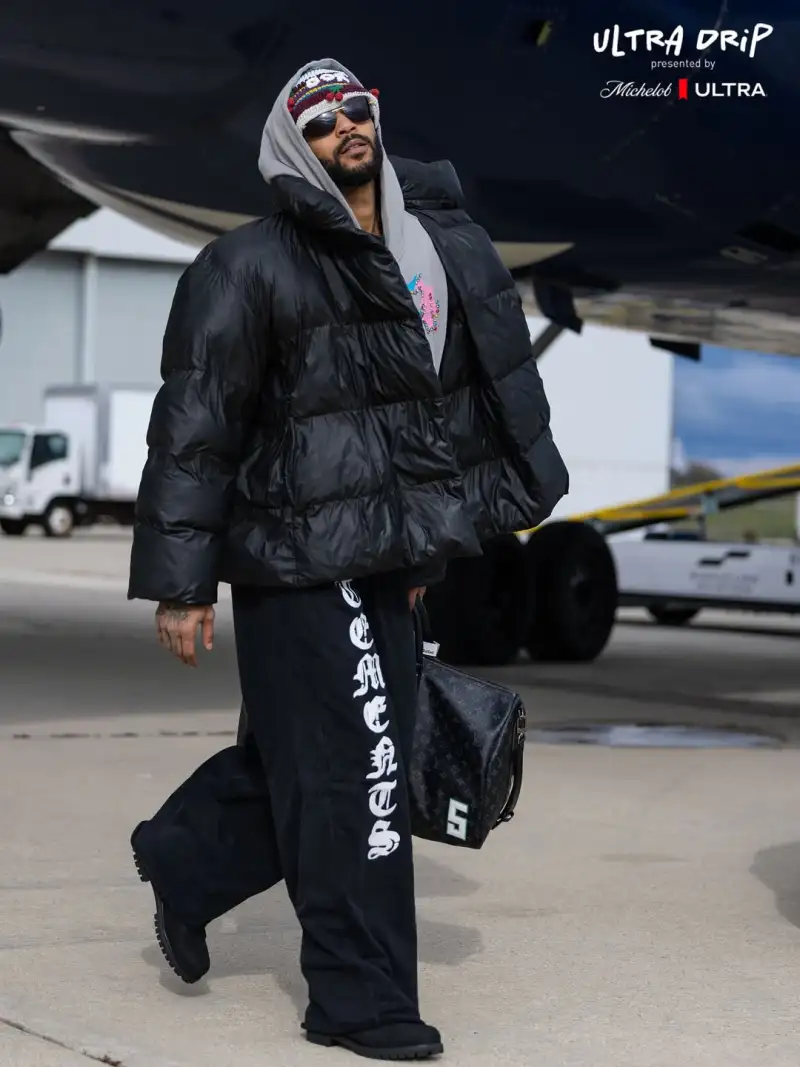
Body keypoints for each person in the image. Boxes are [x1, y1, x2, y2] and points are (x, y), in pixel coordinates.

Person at [127, 58, 568, 1061]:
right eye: (317, 120)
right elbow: (197, 426)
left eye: (354, 108)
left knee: (313, 753)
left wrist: (444, 531)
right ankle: (359, 998)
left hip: (394, 551)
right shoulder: (244, 266)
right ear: (293, 147)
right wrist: (179, 579)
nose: (344, 127)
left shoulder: (440, 245)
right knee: (362, 767)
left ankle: (185, 856)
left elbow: (453, 400)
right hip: (295, 552)